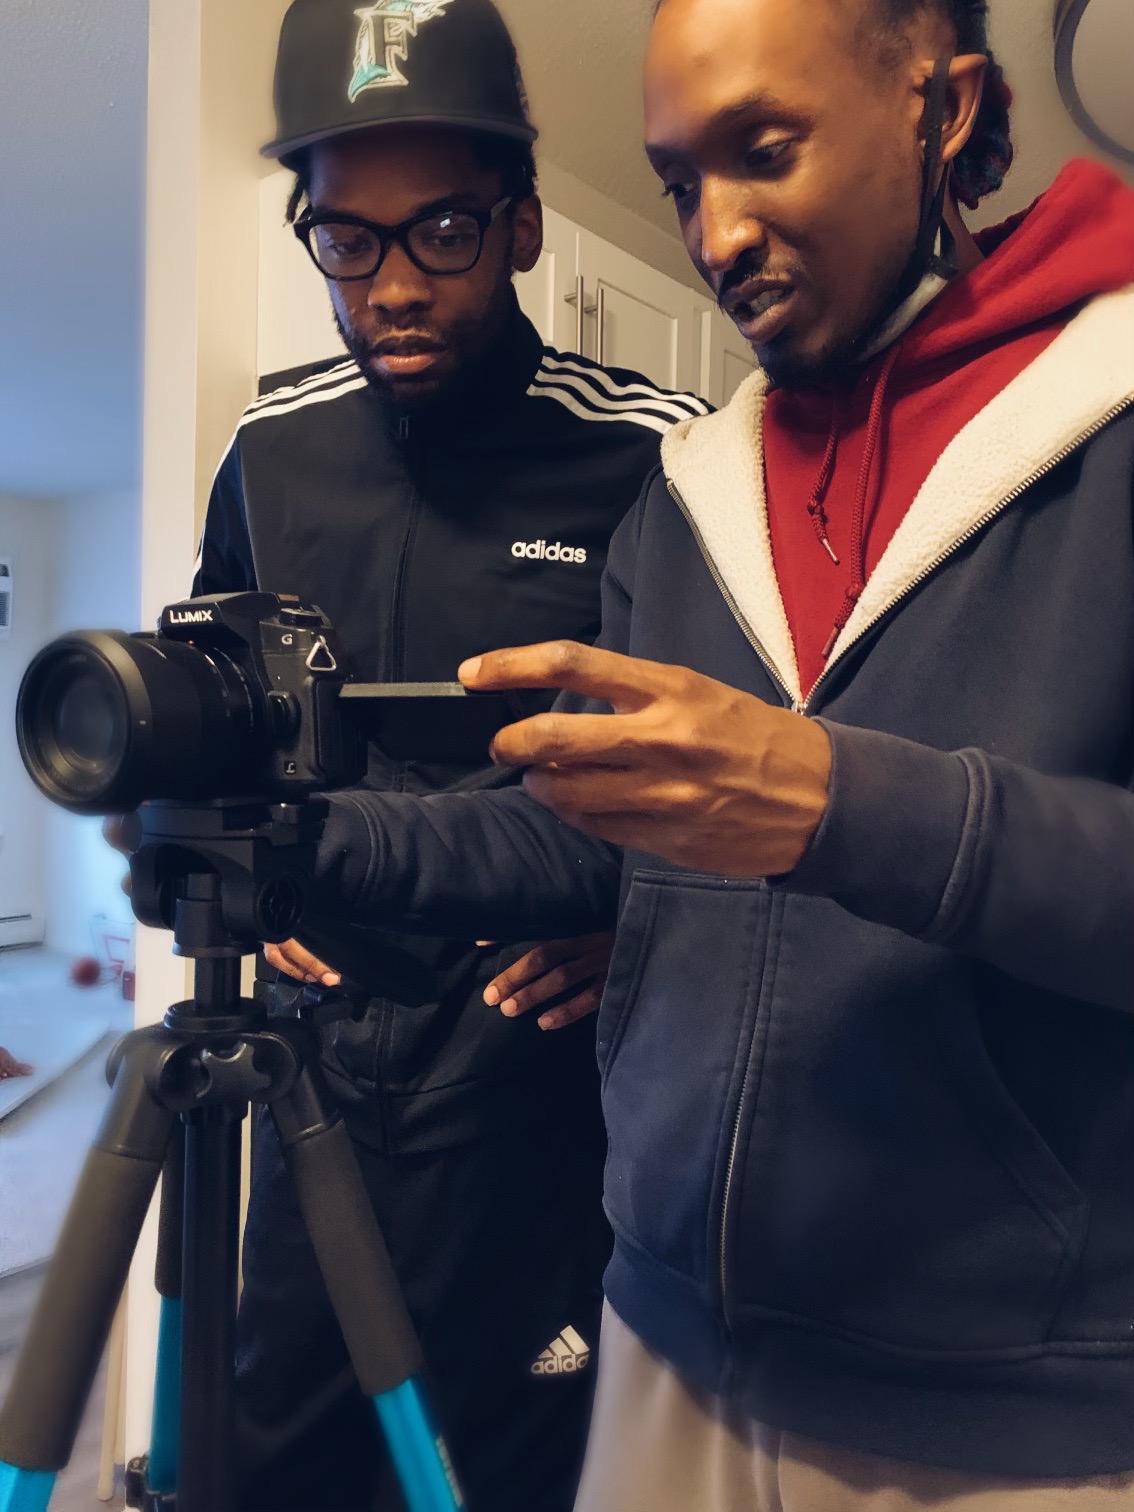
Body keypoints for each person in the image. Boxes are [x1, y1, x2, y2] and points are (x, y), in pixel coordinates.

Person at [288, 0, 1134, 1507]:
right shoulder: (693, 484)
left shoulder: (1111, 418)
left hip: (1005, 1407)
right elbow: (584, 826)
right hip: (662, 1332)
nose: (716, 233)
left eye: (764, 150)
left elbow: (836, 815)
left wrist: (838, 800)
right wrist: (292, 844)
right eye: (680, 180)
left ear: (940, 111)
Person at [192, 1, 710, 1508]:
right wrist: (248, 883)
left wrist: (646, 922)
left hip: (533, 1085)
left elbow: (730, 770)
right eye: (346, 241)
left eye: (442, 231)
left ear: (522, 224)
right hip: (314, 1072)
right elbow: (212, 708)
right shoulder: (269, 450)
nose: (394, 286)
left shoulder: (659, 452)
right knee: (285, 1459)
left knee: (501, 1476)